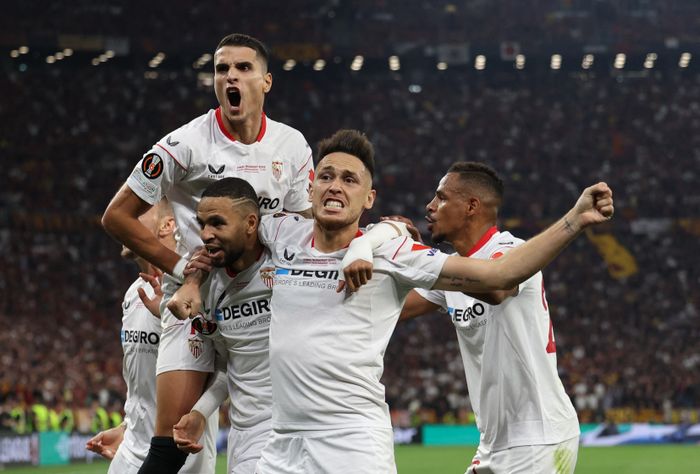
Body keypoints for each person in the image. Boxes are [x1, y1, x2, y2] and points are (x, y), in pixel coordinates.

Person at [171, 129, 613, 473]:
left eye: (349, 179)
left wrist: (574, 219)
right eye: (326, 176)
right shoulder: (281, 232)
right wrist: (192, 280)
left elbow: (499, 280)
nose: (335, 186)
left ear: (369, 198)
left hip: (356, 444)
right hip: (283, 443)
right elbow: (224, 234)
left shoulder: (402, 254)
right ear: (310, 187)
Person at [101, 33, 314, 473]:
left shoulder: (292, 146)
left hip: (264, 304)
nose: (230, 76)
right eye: (221, 69)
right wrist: (182, 268)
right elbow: (116, 216)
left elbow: (304, 228)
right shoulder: (185, 145)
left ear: (266, 81)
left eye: (242, 68)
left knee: (286, 434)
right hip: (194, 305)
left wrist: (368, 236)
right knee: (169, 445)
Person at [390, 161, 581, 474]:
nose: (430, 206)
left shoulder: (512, 251)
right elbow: (390, 311)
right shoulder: (452, 268)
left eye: (441, 197)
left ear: (471, 206)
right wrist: (383, 255)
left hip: (537, 437)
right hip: (495, 441)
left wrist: (418, 258)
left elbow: (497, 286)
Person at [87, 200, 216, 473]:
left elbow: (225, 367)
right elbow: (142, 384)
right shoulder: (133, 293)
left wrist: (202, 412)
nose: (125, 216)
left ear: (167, 225)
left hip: (178, 457)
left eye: (138, 211)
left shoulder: (195, 293)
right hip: (130, 451)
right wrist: (127, 427)